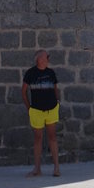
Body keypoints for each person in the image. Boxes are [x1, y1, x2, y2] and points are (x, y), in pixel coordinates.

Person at [21, 49, 61, 177]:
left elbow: (55, 88)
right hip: (36, 111)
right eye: (46, 57)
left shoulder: (51, 73)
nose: (47, 59)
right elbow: (23, 91)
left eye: (47, 57)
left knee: (53, 137)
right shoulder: (30, 73)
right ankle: (37, 169)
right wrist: (29, 108)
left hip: (52, 109)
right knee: (38, 139)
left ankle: (56, 168)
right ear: (39, 59)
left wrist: (57, 102)